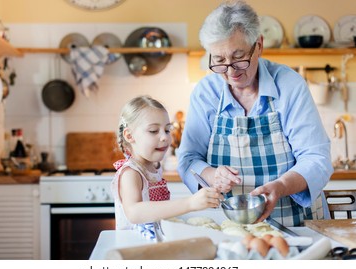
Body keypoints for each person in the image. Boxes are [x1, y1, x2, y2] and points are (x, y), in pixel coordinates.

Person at [177, 0, 333, 227]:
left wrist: (280, 187)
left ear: (258, 44)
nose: (230, 72)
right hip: (231, 225)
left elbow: (316, 158)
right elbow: (188, 160)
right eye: (219, 61)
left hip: (296, 224)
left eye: (239, 58)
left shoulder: (289, 86)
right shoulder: (206, 93)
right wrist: (213, 175)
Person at [111, 95, 222, 236]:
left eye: (167, 130)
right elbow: (134, 212)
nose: (165, 137)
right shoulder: (131, 173)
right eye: (153, 131)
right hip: (134, 246)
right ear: (129, 135)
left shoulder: (153, 167)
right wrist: (190, 203)